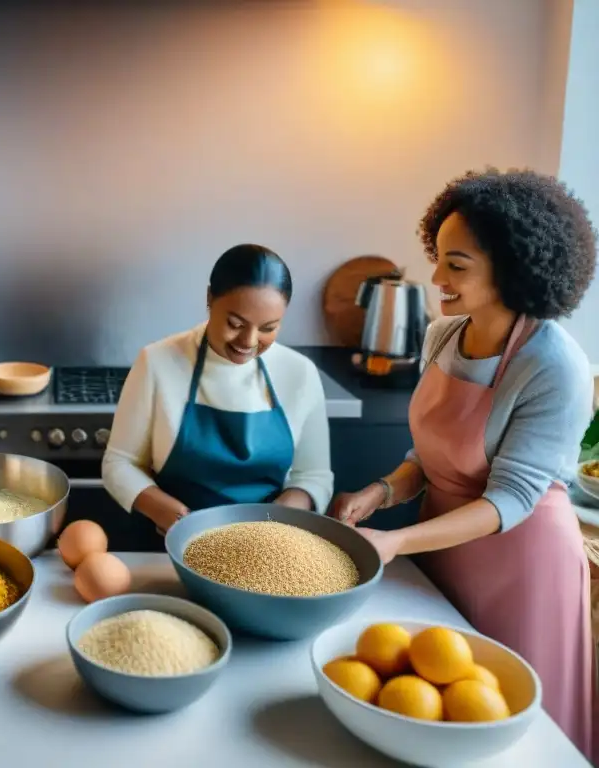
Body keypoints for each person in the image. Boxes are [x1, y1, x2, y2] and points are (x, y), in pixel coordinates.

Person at [331, 168, 596, 759]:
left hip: (522, 561)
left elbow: (511, 500)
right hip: (444, 544)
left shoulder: (555, 366)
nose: (436, 278)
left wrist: (399, 543)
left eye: (457, 265)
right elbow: (428, 458)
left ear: (512, 267)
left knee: (509, 730)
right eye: (438, 257)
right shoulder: (445, 336)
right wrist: (379, 491)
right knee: (433, 710)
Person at [101, 244, 333, 549]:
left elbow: (314, 476)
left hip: (265, 550)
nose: (248, 342)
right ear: (210, 298)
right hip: (168, 546)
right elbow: (119, 463)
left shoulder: (299, 373)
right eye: (235, 324)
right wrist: (173, 516)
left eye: (268, 328)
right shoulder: (158, 362)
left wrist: (273, 525)